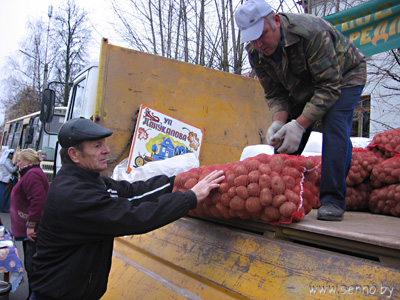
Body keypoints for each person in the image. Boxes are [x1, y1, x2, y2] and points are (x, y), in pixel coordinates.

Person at [29, 117, 225, 300]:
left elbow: (131, 192)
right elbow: (134, 216)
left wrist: (177, 181)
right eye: (97, 146)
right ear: (74, 154)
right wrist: (190, 198)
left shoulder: (90, 181)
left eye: (104, 143)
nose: (106, 150)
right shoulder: (73, 194)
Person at [234, 0, 366, 221]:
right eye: (251, 38)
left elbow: (329, 88)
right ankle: (279, 195)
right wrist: (279, 122)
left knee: (334, 127)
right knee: (284, 142)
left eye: (262, 34)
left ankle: (333, 199)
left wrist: (299, 124)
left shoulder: (311, 33)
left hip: (343, 78)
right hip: (302, 86)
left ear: (275, 20)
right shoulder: (255, 51)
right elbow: (275, 93)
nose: (257, 43)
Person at [10, 149, 49, 299]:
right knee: (31, 264)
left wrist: (31, 225)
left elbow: (38, 202)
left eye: (19, 161)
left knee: (32, 265)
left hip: (33, 231)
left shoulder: (32, 175)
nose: (17, 163)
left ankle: (34, 296)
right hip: (31, 229)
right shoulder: (31, 174)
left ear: (28, 161)